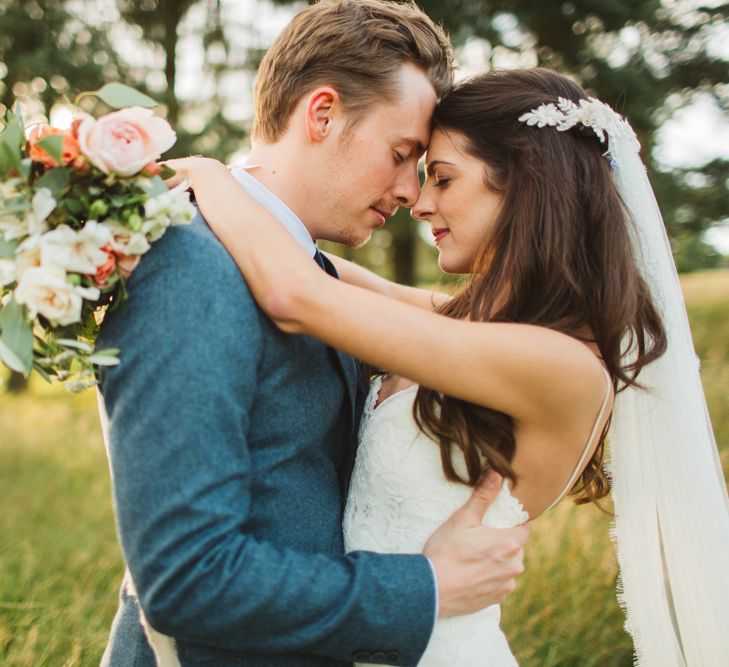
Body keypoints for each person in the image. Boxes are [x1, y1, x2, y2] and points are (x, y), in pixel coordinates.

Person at [167, 67, 729, 666]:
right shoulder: (468, 326)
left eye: (442, 177)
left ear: (525, 187)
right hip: (366, 637)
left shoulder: (560, 365)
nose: (419, 200)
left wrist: (208, 173)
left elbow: (298, 296)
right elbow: (326, 273)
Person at [96, 2, 531, 666]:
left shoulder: (315, 272)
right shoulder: (189, 262)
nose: (409, 193)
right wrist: (425, 587)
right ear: (322, 113)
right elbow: (184, 576)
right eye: (400, 153)